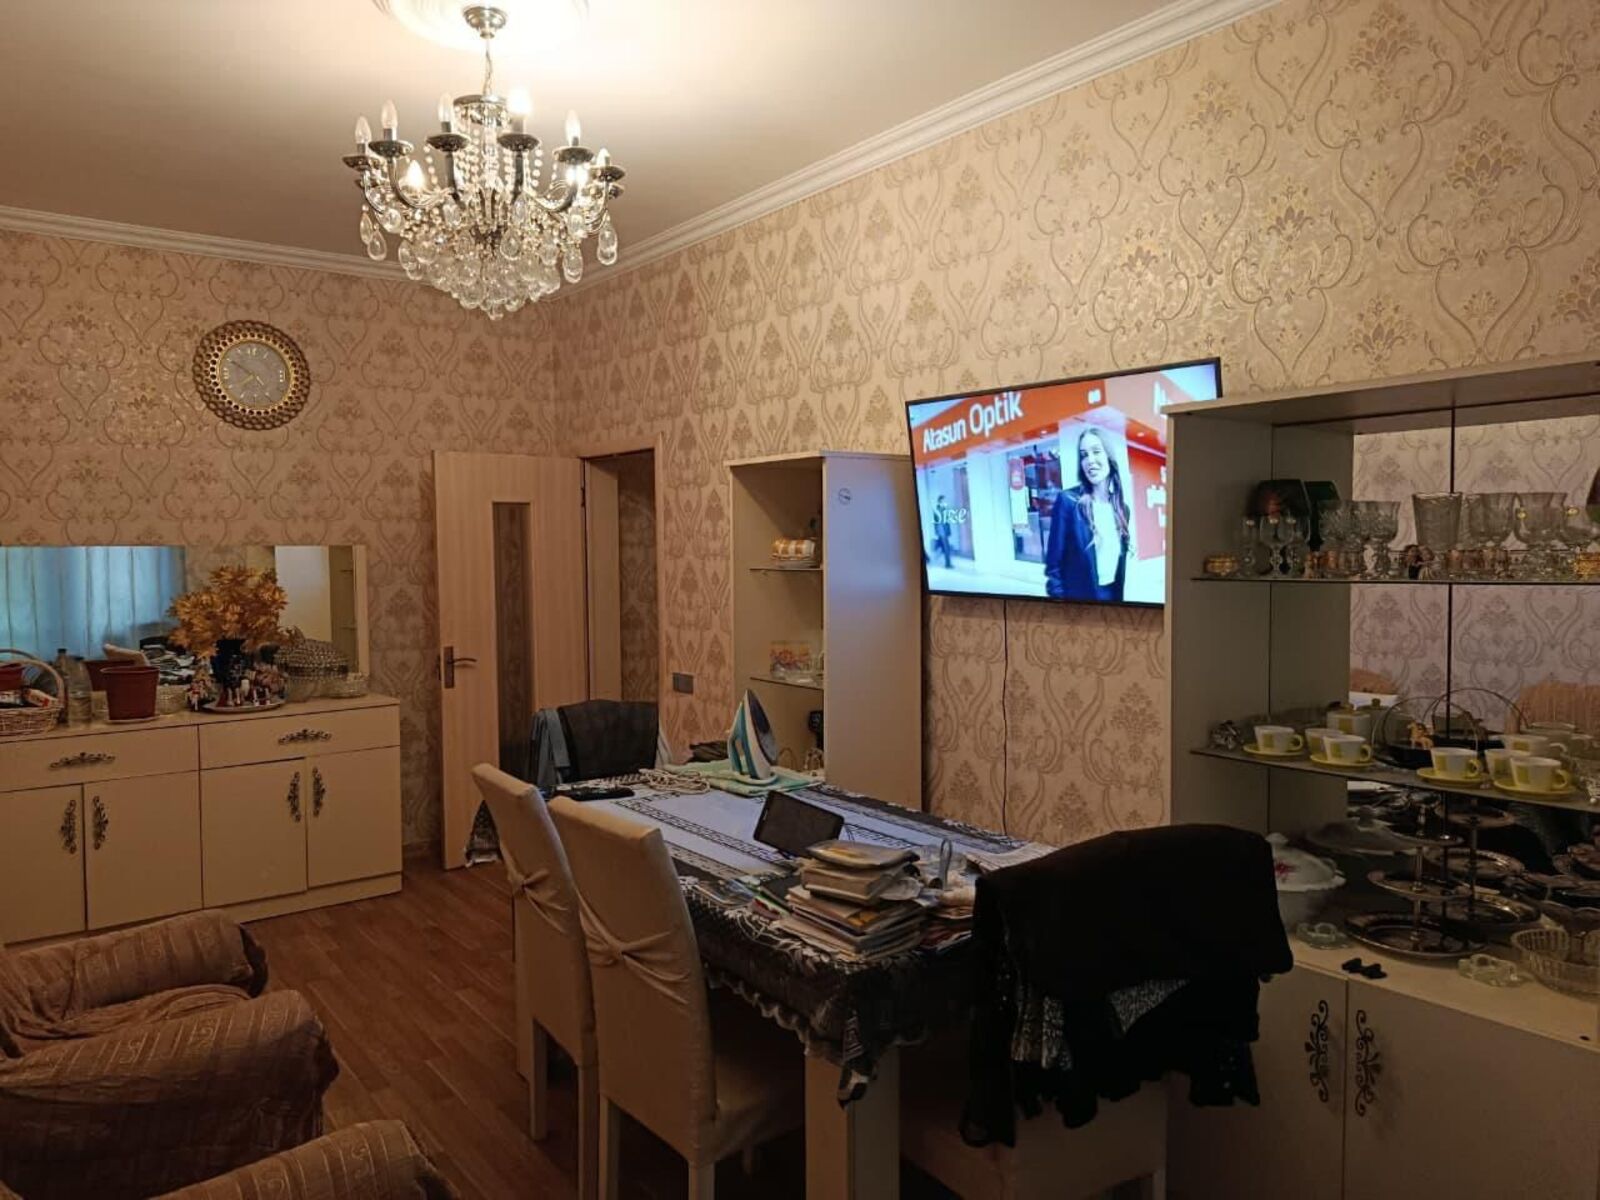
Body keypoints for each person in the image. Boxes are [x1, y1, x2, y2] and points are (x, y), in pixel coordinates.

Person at [1044, 427, 1130, 601]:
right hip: (1078, 605)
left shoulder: (1122, 509)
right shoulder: (1068, 502)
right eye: (1084, 455)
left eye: (1096, 452)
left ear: (1109, 457)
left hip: (1112, 599)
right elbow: (1054, 569)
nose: (1090, 460)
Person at [932, 494, 954, 568]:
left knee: (944, 547)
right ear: (941, 501)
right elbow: (939, 522)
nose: (945, 502)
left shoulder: (941, 509)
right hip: (942, 531)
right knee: (946, 548)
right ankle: (948, 564)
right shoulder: (940, 509)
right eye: (944, 500)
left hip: (942, 531)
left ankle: (947, 563)